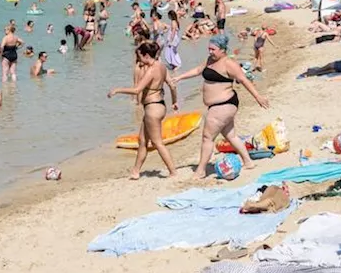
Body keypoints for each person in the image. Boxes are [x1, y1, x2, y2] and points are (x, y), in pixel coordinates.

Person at [172, 34, 269, 179]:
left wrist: (258, 97)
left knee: (207, 137)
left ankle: (200, 170)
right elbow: (198, 70)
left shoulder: (228, 63)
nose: (210, 52)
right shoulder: (210, 60)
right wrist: (179, 77)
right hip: (218, 106)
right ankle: (248, 162)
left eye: (213, 49)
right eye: (209, 49)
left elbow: (243, 80)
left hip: (224, 104)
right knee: (230, 135)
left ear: (223, 49)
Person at [108, 41, 181, 179]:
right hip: (159, 106)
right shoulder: (162, 66)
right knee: (142, 140)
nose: (138, 60)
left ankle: (173, 171)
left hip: (152, 109)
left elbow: (137, 90)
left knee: (157, 143)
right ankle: (135, 171)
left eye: (140, 56)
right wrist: (175, 101)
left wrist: (117, 90)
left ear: (146, 55)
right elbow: (172, 85)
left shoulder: (152, 70)